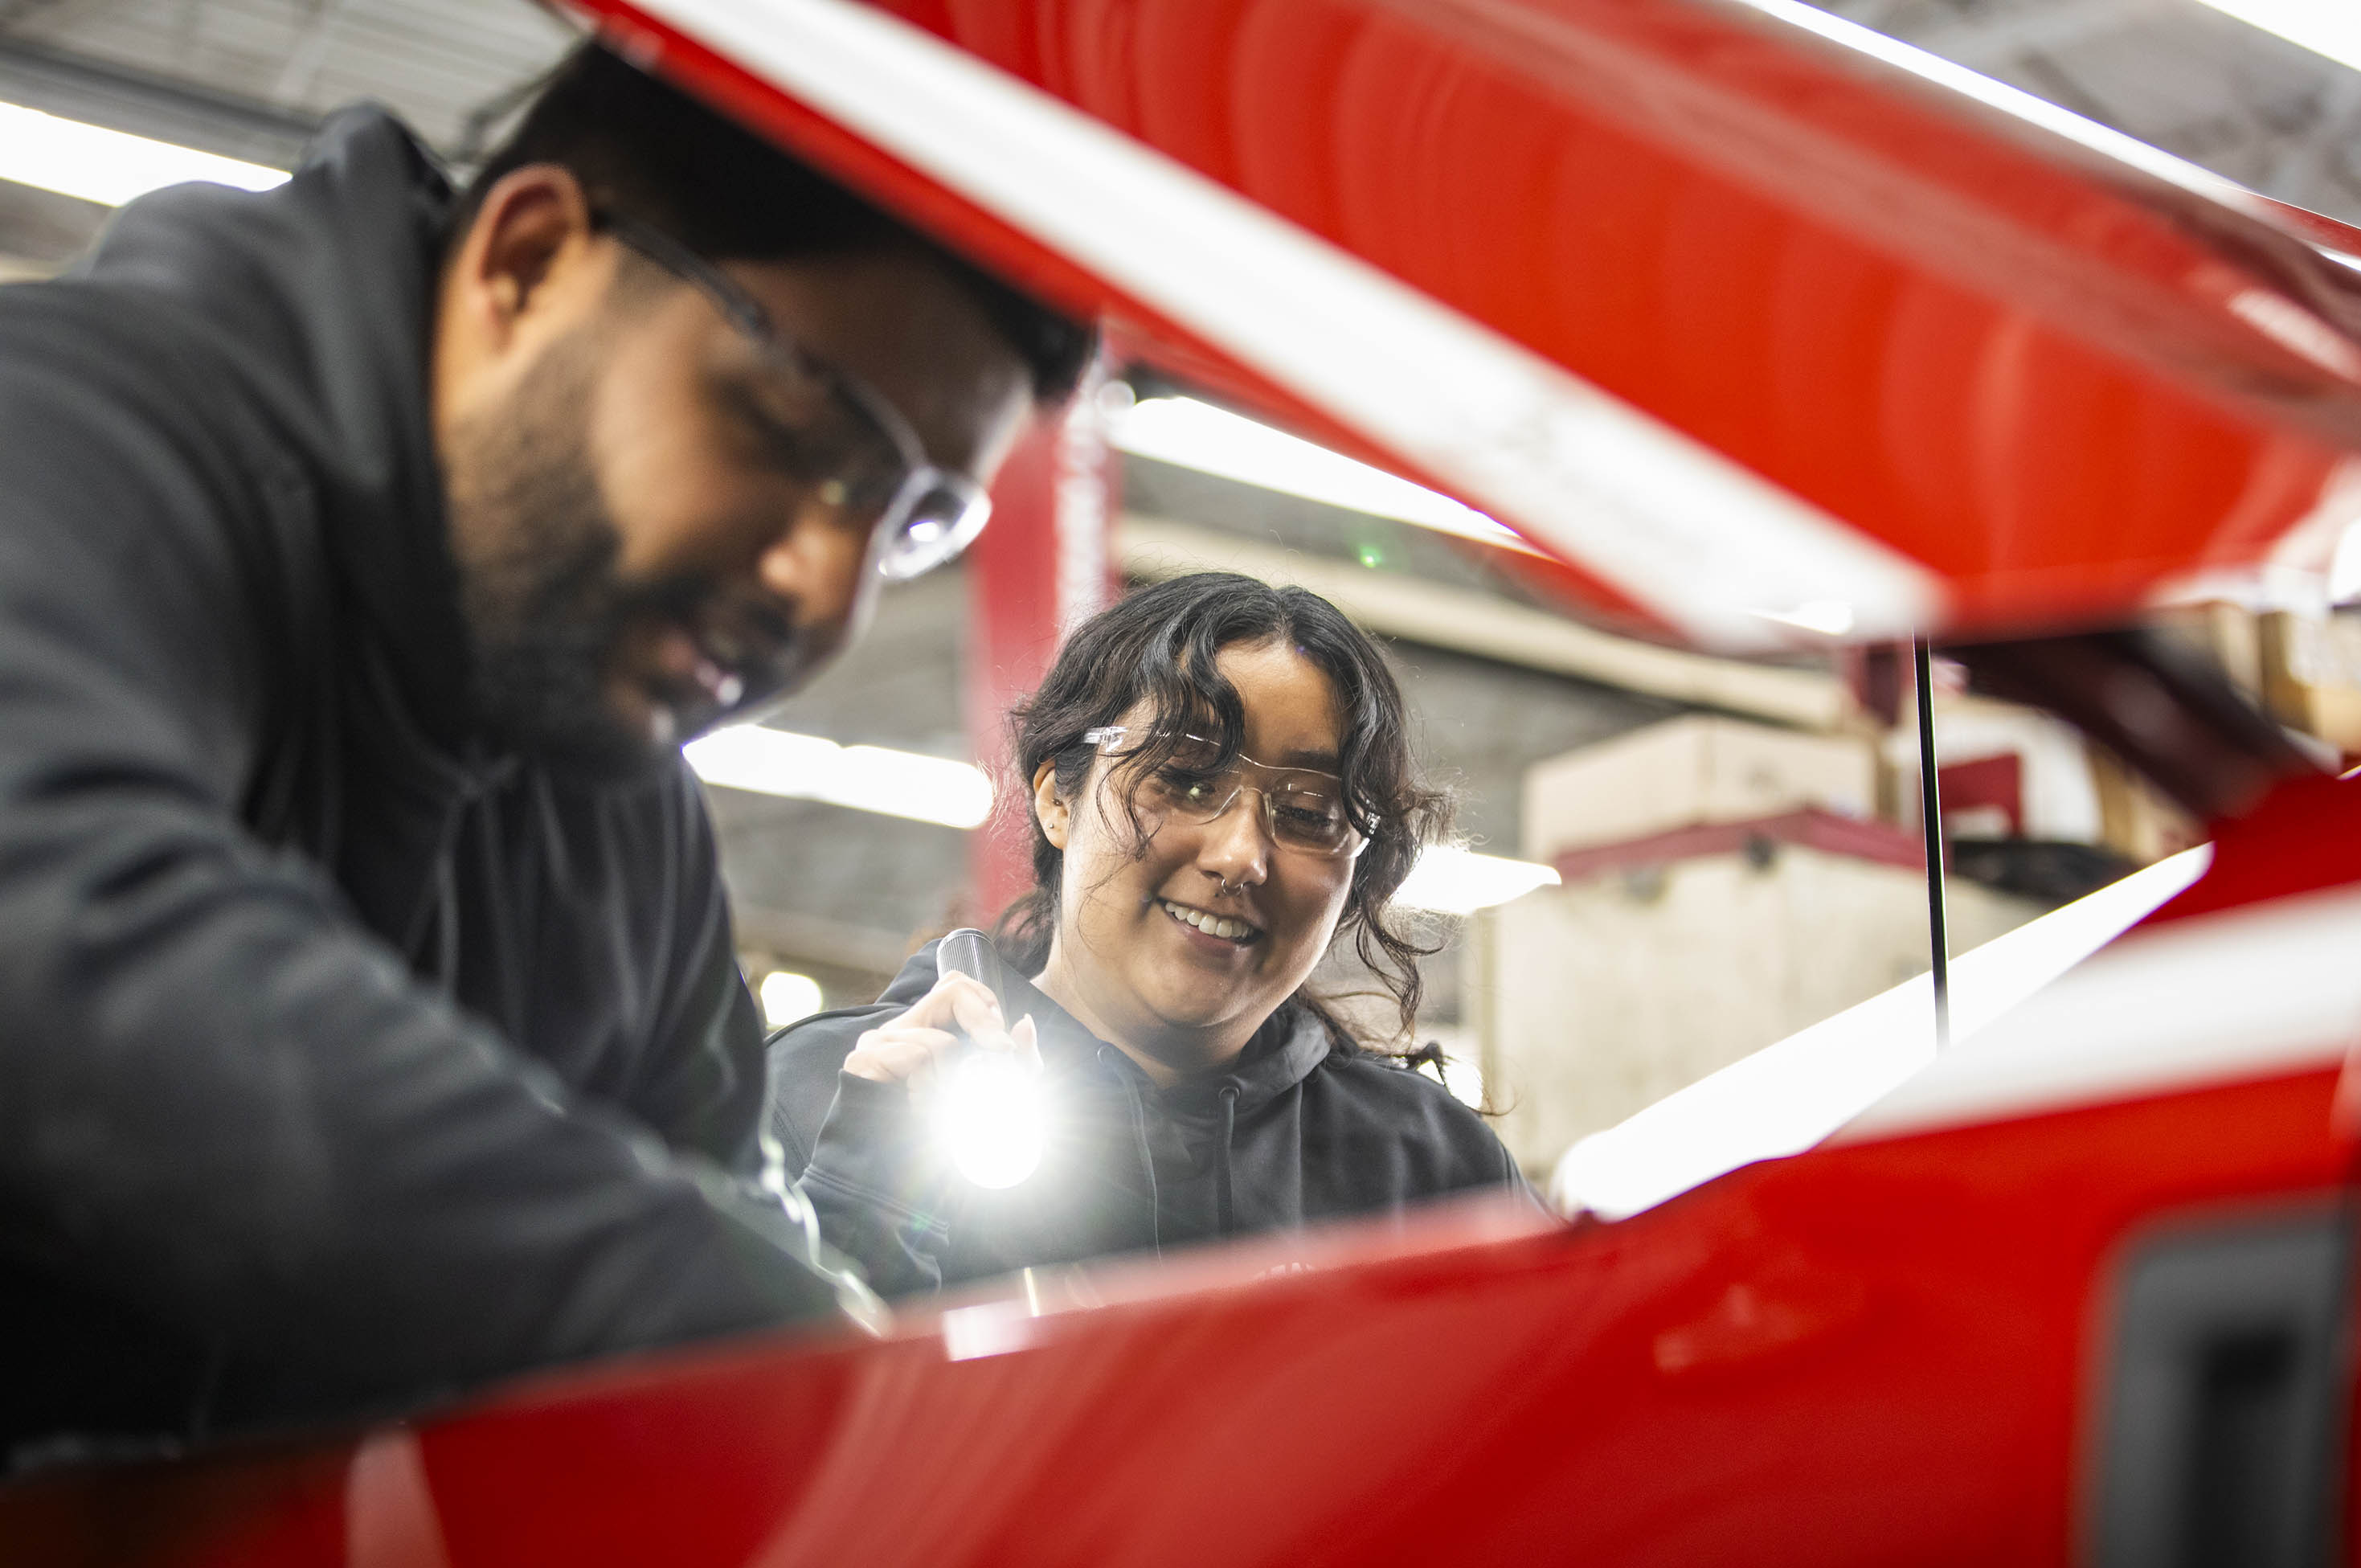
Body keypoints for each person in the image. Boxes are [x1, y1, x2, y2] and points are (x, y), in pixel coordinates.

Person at [0, 42, 1090, 1468]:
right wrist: (759, 1350)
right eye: (793, 427)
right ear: (525, 263)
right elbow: (65, 953)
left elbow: (732, 1250)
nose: (830, 593)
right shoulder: (66, 438)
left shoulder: (625, 818)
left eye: (909, 525)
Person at [771, 572, 1531, 1298]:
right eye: (1186, 778)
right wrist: (851, 1224)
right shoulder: (820, 1098)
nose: (1239, 856)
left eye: (1307, 814)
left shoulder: (1426, 1172)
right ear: (1057, 801)